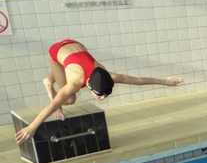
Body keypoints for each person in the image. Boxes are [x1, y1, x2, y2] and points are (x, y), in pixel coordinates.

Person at [15, 39, 184, 144]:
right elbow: (52, 105)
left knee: (64, 69)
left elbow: (138, 80)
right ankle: (48, 83)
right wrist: (32, 127)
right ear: (88, 84)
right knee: (68, 100)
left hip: (74, 45)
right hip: (57, 51)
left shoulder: (110, 76)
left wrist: (166, 82)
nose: (101, 99)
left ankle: (57, 73)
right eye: (98, 95)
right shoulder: (75, 82)